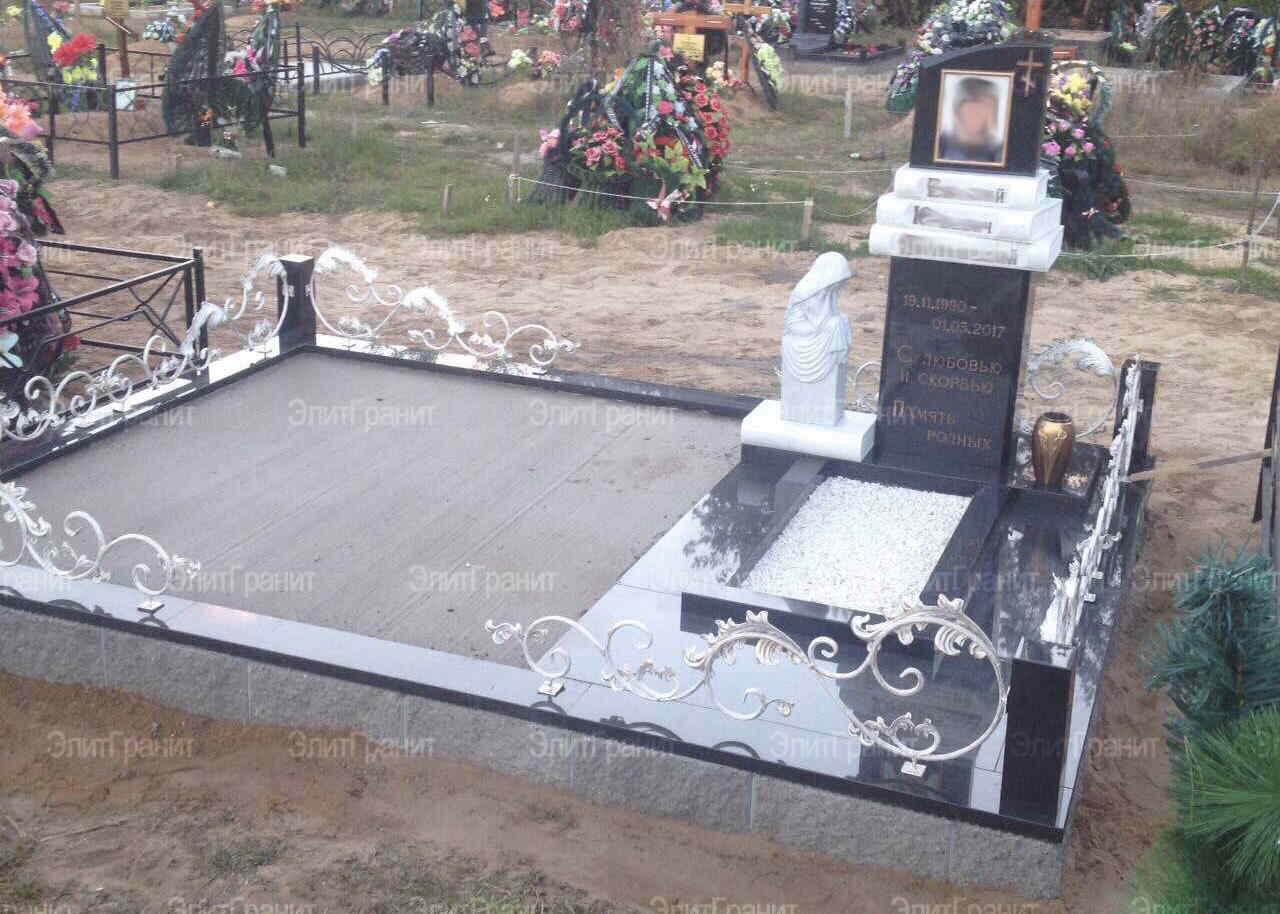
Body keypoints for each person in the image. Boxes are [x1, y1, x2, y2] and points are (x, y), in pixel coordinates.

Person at [937, 76, 1005, 164]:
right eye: (978, 106)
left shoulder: (1000, 153)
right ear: (957, 109)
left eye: (991, 106)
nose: (988, 114)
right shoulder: (937, 146)